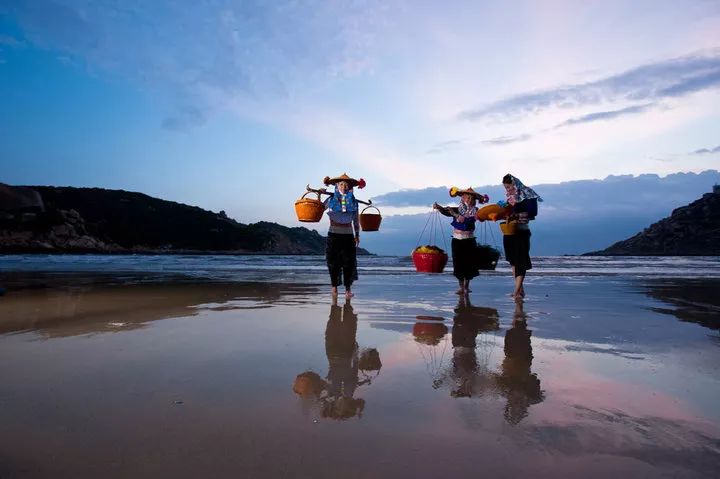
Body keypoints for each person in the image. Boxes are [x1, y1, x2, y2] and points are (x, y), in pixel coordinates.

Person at [433, 187, 487, 295]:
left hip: (469, 241)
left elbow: (467, 222)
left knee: (468, 264)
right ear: (463, 198)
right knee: (458, 264)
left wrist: (454, 214)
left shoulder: (475, 211)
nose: (469, 199)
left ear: (474, 200)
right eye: (467, 197)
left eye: (472, 198)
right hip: (457, 240)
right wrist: (439, 207)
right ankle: (461, 287)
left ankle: (466, 287)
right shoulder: (459, 208)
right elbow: (447, 212)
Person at [319, 173, 365, 298]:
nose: (344, 187)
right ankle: (334, 288)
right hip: (333, 234)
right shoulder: (331, 200)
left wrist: (357, 235)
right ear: (337, 185)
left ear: (350, 187)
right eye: (341, 184)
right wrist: (319, 194)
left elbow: (356, 220)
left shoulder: (354, 202)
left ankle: (347, 290)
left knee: (348, 263)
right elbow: (319, 209)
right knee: (333, 262)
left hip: (348, 236)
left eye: (346, 185)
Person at [501, 174, 542, 298]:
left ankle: (516, 292)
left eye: (509, 187)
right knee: (513, 262)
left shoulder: (526, 194)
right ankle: (520, 291)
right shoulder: (510, 197)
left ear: (514, 184)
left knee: (520, 262)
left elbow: (532, 213)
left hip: (521, 232)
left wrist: (516, 214)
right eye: (506, 187)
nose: (507, 190)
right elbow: (507, 212)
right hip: (509, 231)